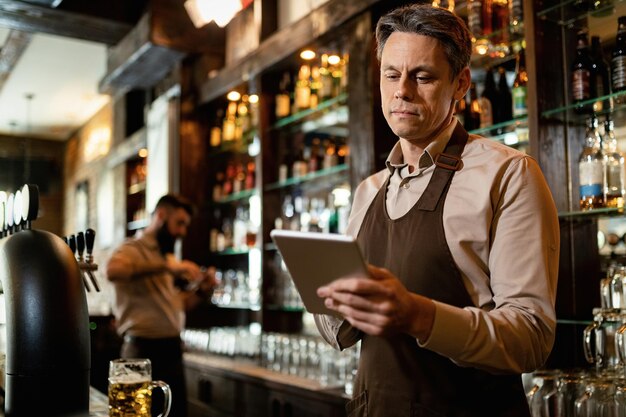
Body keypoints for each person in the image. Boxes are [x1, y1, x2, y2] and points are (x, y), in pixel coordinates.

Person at [314, 4, 559, 417]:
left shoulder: (508, 174)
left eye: (422, 76)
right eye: (391, 75)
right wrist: (331, 303)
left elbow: (530, 338)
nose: (401, 92)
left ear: (460, 83)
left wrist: (418, 315)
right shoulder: (368, 191)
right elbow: (338, 330)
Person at [106, 193, 215, 417]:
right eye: (179, 224)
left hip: (171, 351)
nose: (183, 232)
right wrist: (166, 267)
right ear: (161, 216)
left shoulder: (164, 257)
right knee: (135, 415)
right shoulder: (132, 248)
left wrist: (203, 290)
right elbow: (112, 270)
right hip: (140, 351)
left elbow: (176, 306)